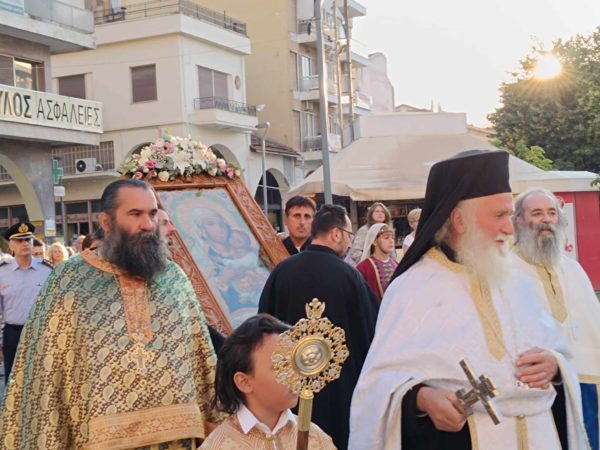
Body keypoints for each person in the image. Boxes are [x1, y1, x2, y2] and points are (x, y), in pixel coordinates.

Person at [350, 150, 588, 449]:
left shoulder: (516, 280)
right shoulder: (413, 288)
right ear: (459, 220)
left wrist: (554, 365)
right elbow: (376, 389)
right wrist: (422, 399)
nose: (510, 228)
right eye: (499, 215)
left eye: (509, 215)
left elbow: (559, 352)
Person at [1, 179, 220, 448]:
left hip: (178, 438)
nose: (148, 224)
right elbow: (46, 371)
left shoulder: (173, 277)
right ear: (106, 222)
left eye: (152, 214)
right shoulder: (69, 280)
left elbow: (202, 358)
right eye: (135, 214)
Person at [259, 204, 379, 449]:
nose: (349, 242)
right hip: (340, 395)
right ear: (336, 234)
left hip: (289, 391)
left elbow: (262, 328)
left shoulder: (282, 272)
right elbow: (370, 335)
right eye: (348, 235)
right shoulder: (351, 277)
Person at [512, 187, 600, 450]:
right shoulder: (506, 271)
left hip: (585, 381)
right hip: (539, 387)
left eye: (551, 213)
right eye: (537, 213)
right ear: (518, 221)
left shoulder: (573, 269)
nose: (546, 220)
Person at [200, 314, 336, 449]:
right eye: (282, 366)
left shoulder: (316, 438)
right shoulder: (219, 445)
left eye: (294, 363)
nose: (295, 374)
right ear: (244, 382)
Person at [0, 222, 52, 383]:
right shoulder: (2, 272)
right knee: (13, 380)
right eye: (19, 240)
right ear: (11, 245)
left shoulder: (47, 270)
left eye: (27, 240)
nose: (25, 244)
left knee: (40, 379)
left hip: (39, 332)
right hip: (12, 333)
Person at [355, 223, 398, 303]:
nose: (391, 241)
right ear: (374, 241)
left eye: (393, 237)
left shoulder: (397, 265)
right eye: (386, 237)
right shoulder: (363, 268)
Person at [347, 202, 394, 266]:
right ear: (371, 214)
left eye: (383, 212)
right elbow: (355, 252)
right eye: (377, 211)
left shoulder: (388, 230)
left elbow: (392, 252)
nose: (380, 213)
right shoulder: (364, 230)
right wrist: (368, 264)